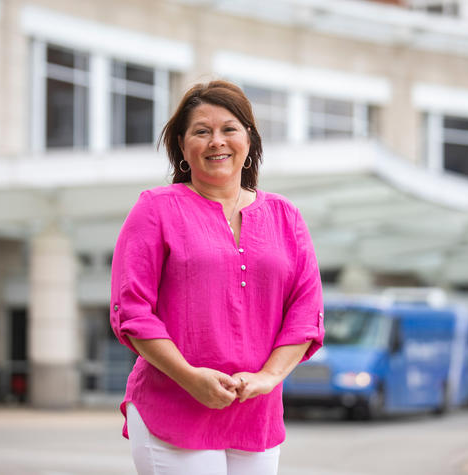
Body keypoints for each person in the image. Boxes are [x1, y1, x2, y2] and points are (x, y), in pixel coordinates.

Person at [109, 80, 325, 475]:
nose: (216, 142)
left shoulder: (285, 216)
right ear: (182, 144)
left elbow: (305, 312)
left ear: (249, 139)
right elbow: (132, 311)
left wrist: (268, 377)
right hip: (173, 403)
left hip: (257, 411)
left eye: (229, 129)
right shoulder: (156, 209)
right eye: (201, 131)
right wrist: (190, 378)